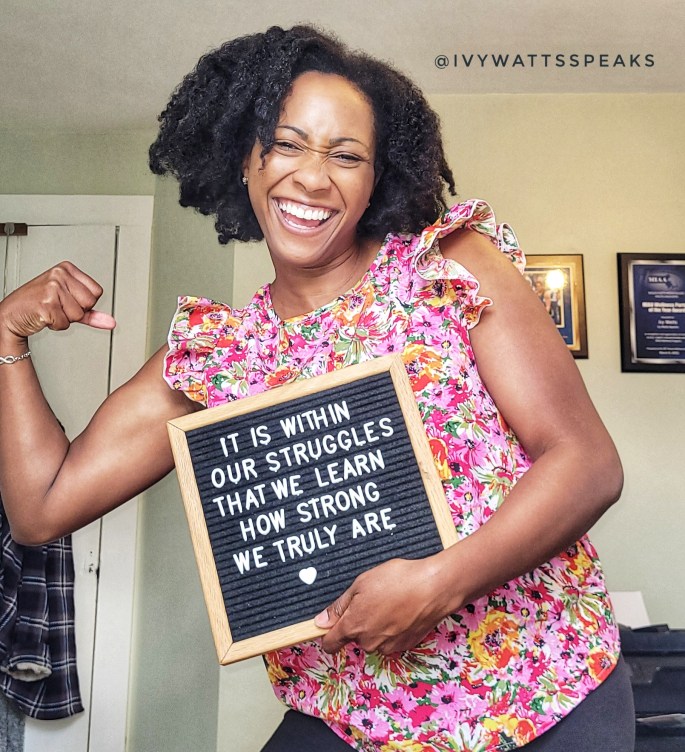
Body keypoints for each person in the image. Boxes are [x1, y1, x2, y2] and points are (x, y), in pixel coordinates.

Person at [0, 25, 634, 752]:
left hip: (544, 694)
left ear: (376, 179)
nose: (311, 177)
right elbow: (41, 510)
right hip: (352, 720)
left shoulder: (447, 266)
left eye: (346, 155)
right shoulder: (216, 357)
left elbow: (586, 462)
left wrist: (442, 582)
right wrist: (6, 335)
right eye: (286, 144)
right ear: (245, 158)